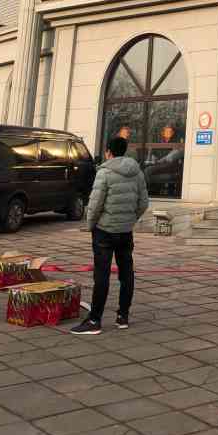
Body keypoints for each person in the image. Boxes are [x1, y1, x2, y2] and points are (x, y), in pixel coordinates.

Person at [70, 135, 149, 335]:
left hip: (104, 232)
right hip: (125, 232)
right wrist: (130, 219)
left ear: (108, 152)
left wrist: (90, 225)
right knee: (126, 274)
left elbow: (95, 204)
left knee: (102, 276)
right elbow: (143, 203)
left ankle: (95, 320)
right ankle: (123, 316)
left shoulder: (104, 172)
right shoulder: (137, 172)